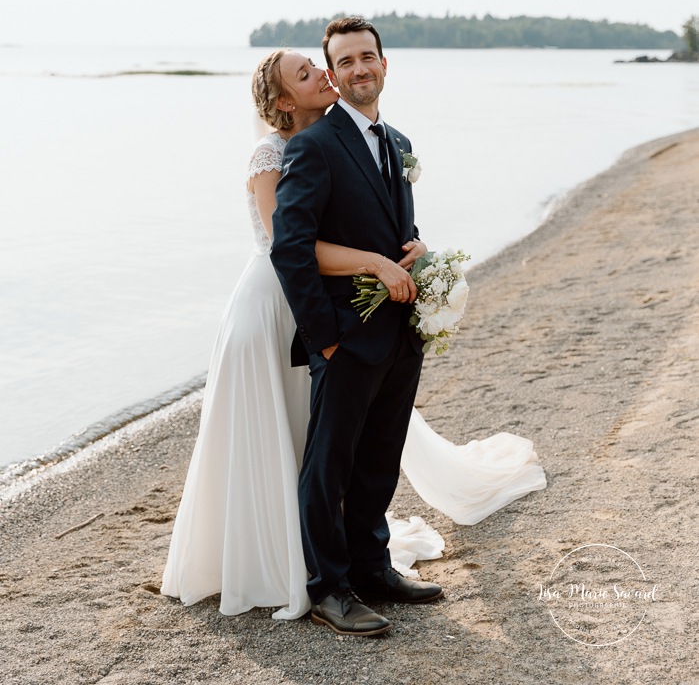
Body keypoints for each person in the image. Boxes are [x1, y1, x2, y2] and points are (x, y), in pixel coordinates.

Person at [161, 37, 546, 627]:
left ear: (384, 65)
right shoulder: (305, 149)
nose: (348, 70)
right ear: (329, 78)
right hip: (335, 326)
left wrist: (417, 249)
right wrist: (326, 338)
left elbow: (390, 222)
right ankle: (328, 588)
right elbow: (288, 247)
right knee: (327, 460)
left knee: (379, 454)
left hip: (395, 325)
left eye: (365, 58)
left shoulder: (397, 142)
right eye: (336, 62)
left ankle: (372, 566)